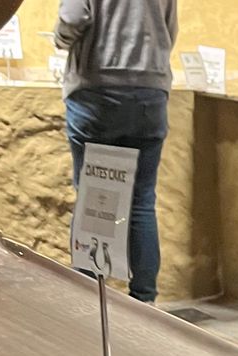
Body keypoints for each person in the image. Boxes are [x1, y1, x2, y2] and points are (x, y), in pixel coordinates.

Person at [55, 0, 178, 304]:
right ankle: (145, 300)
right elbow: (170, 28)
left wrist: (60, 39)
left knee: (94, 199)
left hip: (95, 90)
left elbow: (73, 17)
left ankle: (89, 297)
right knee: (141, 201)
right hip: (151, 89)